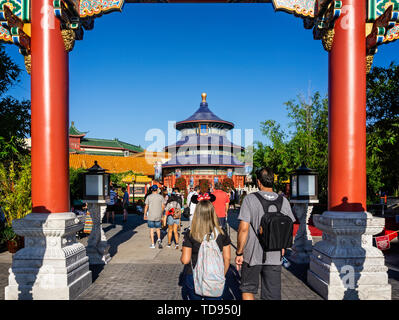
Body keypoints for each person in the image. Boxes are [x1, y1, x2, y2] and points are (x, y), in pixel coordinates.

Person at [235, 167, 296, 300]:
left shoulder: (250, 199)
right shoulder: (283, 201)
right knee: (272, 295)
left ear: (258, 182)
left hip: (252, 255)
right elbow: (288, 226)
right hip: (275, 255)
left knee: (247, 288)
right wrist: (283, 247)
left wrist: (239, 252)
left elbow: (243, 229)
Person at [180, 199, 231, 300]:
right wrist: (222, 274)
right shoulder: (222, 232)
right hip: (215, 277)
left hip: (194, 276)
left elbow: (185, 260)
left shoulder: (191, 233)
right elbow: (227, 258)